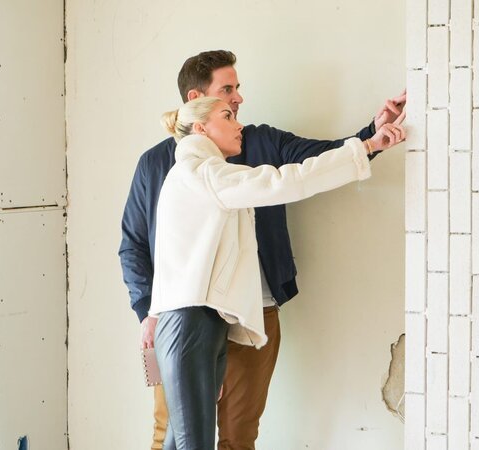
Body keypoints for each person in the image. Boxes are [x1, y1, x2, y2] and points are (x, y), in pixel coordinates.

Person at [118, 50, 406, 450]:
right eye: (227, 98)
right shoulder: (198, 171)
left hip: (233, 313)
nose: (239, 104)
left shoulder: (224, 158)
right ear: (198, 114)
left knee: (220, 438)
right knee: (177, 438)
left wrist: (371, 137)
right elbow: (291, 182)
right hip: (188, 319)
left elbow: (312, 161)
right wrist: (147, 311)